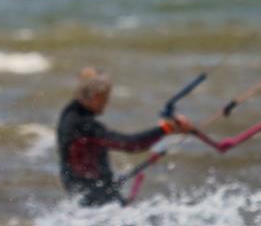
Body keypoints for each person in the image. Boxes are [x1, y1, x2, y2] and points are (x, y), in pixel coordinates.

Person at [56, 67, 194, 207]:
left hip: (85, 192)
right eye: (106, 97)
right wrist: (166, 128)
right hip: (96, 198)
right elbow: (131, 144)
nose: (107, 101)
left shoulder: (69, 114)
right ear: (97, 96)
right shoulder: (85, 126)